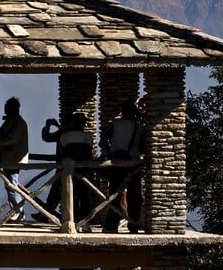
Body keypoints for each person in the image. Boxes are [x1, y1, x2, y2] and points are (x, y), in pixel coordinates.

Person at [37, 112, 94, 227]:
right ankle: (85, 222)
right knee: (83, 197)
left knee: (56, 194)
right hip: (84, 172)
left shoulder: (64, 135)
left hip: (65, 171)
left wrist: (47, 126)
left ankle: (47, 215)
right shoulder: (88, 136)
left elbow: (46, 137)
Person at [101, 99, 144, 233]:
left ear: (122, 112)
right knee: (135, 196)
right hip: (134, 164)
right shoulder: (139, 127)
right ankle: (133, 225)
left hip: (117, 163)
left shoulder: (114, 125)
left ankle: (112, 225)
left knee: (115, 193)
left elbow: (102, 142)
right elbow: (143, 147)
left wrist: (110, 151)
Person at [0, 97, 29, 221]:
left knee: (12, 185)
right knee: (9, 184)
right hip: (8, 158)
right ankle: (16, 210)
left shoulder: (18, 123)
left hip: (14, 158)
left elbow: (12, 139)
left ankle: (19, 212)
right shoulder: (11, 122)